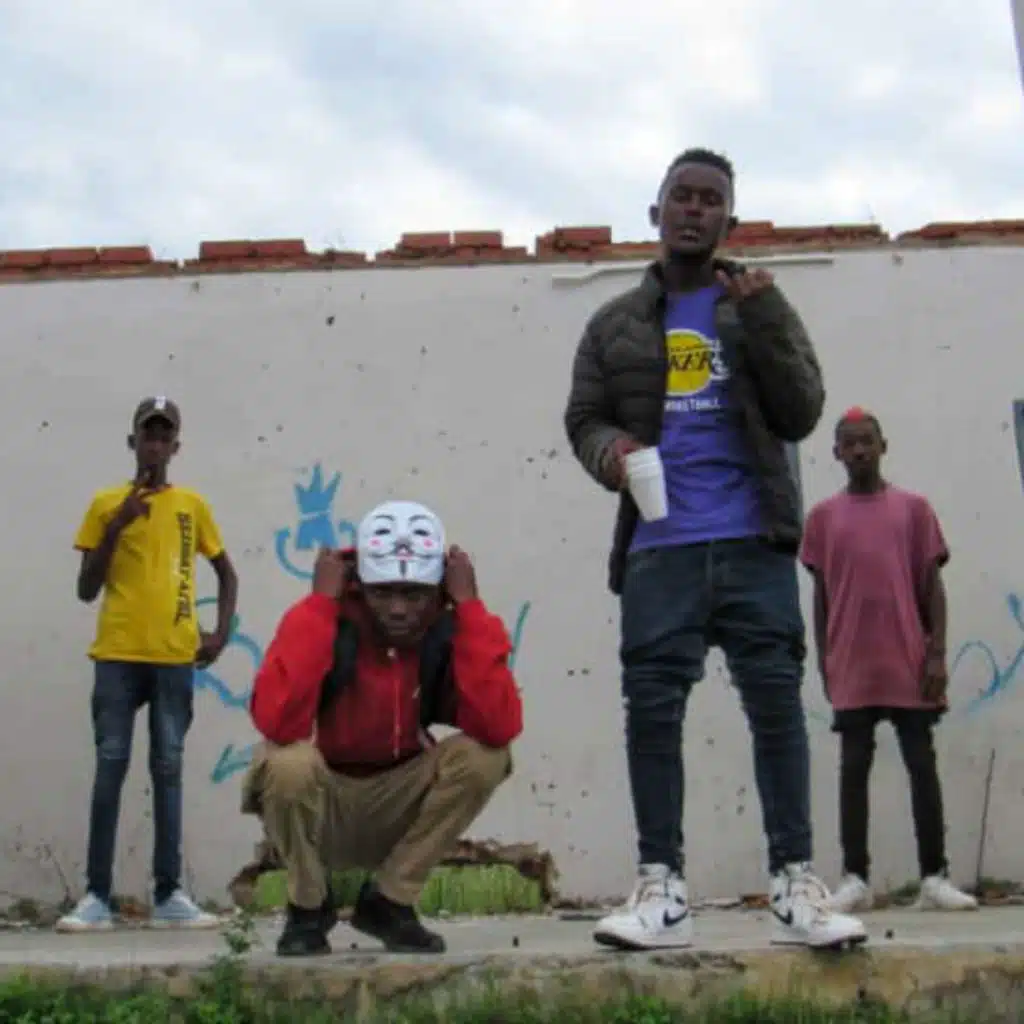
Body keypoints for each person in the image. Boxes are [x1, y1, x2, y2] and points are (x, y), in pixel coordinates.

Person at [563, 147, 866, 951]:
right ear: (656, 212)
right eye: (682, 196)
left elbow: (802, 411)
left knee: (776, 709)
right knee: (652, 715)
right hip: (658, 547)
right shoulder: (614, 324)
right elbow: (584, 418)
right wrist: (612, 452)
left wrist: (763, 320)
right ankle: (661, 893)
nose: (694, 209)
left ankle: (795, 888)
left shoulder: (759, 303)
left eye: (710, 200)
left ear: (729, 219)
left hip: (754, 542)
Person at [243, 500, 522, 957]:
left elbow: (498, 724)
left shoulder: (448, 627)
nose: (398, 609)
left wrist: (470, 608)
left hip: (400, 803)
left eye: (414, 595)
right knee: (285, 761)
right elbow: (277, 720)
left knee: (486, 756)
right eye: (382, 594)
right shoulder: (331, 621)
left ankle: (390, 902)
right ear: (361, 585)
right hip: (325, 805)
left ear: (438, 590)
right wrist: (319, 605)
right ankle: (308, 908)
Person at [57, 397, 238, 932]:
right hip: (117, 654)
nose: (155, 446)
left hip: (173, 657)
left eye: (164, 437)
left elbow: (226, 573)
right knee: (110, 766)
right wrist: (117, 524)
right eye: (147, 436)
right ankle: (96, 896)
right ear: (132, 442)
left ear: (176, 447)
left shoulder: (191, 505)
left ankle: (169, 895)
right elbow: (85, 589)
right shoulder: (105, 503)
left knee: (168, 768)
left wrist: (220, 634)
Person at [799, 407, 978, 913]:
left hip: (908, 658)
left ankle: (935, 877)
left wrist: (937, 652)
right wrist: (824, 657)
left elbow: (932, 587)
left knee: (922, 763)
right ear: (836, 452)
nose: (859, 450)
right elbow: (821, 597)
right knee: (853, 767)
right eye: (849, 443)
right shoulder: (822, 519)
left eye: (867, 441)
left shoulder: (913, 510)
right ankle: (855, 879)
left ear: (883, 446)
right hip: (852, 662)